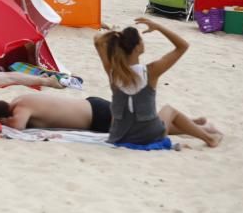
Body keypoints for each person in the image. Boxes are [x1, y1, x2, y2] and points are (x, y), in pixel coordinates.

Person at [93, 18, 221, 148]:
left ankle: (193, 123)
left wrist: (115, 34)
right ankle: (209, 138)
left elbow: (97, 40)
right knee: (169, 110)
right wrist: (158, 27)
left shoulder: (113, 73)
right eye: (141, 40)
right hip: (149, 136)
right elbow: (183, 46)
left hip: (119, 136)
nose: (143, 43)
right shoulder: (151, 71)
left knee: (151, 118)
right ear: (137, 47)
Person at [0, 94, 112, 132]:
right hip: (92, 105)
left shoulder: (21, 108)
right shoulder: (20, 99)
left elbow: (17, 126)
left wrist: (2, 122)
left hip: (97, 117)